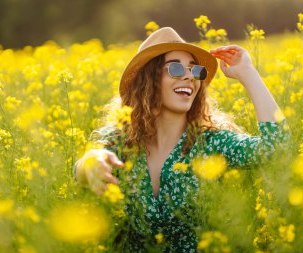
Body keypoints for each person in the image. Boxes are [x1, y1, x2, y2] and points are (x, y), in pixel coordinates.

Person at [74, 27, 289, 252]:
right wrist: (89, 161)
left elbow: (277, 149)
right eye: (175, 68)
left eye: (195, 70)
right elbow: (82, 168)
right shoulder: (120, 141)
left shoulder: (210, 143)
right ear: (149, 79)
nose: (189, 76)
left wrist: (248, 74)